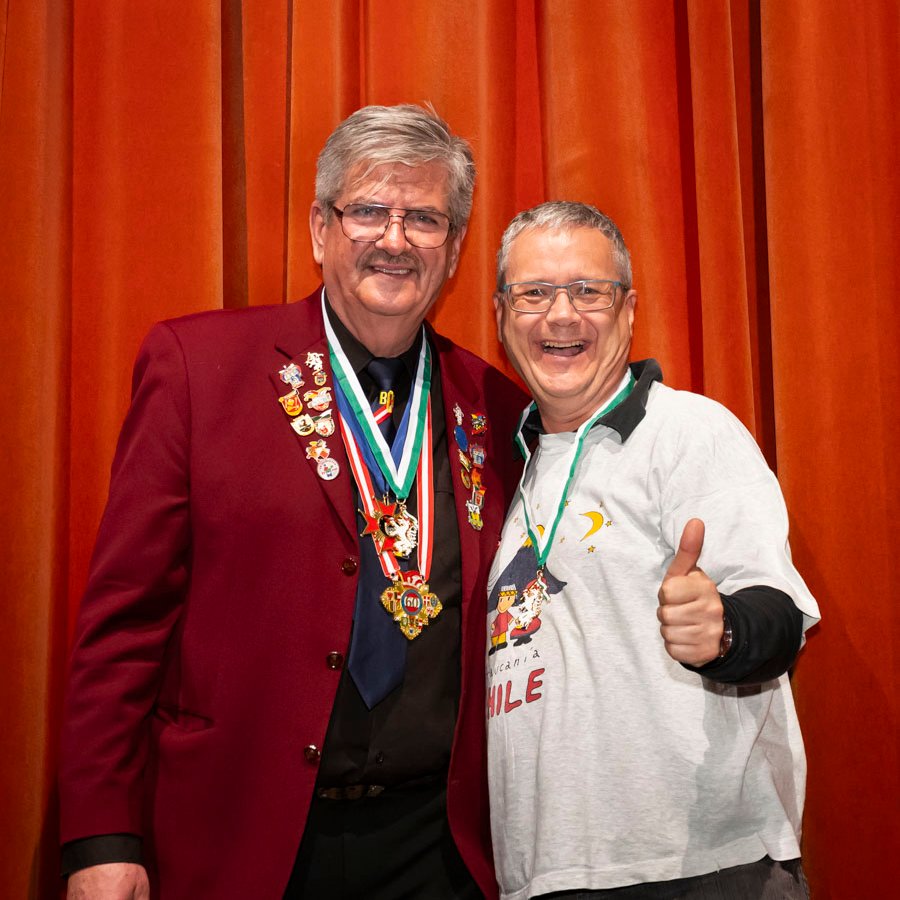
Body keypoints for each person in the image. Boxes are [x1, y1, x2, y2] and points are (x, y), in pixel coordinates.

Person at [59, 104, 527, 900]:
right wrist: (102, 837)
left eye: (424, 218)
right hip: (246, 839)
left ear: (453, 250)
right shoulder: (197, 369)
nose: (395, 239)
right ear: (319, 228)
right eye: (368, 211)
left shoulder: (495, 406)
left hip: (437, 852)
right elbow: (125, 625)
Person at [486, 201, 820, 900]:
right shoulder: (499, 470)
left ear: (629, 310)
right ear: (502, 316)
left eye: (589, 291)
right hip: (544, 876)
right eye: (534, 293)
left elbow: (778, 613)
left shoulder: (688, 431)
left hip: (703, 867)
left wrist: (725, 630)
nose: (561, 315)